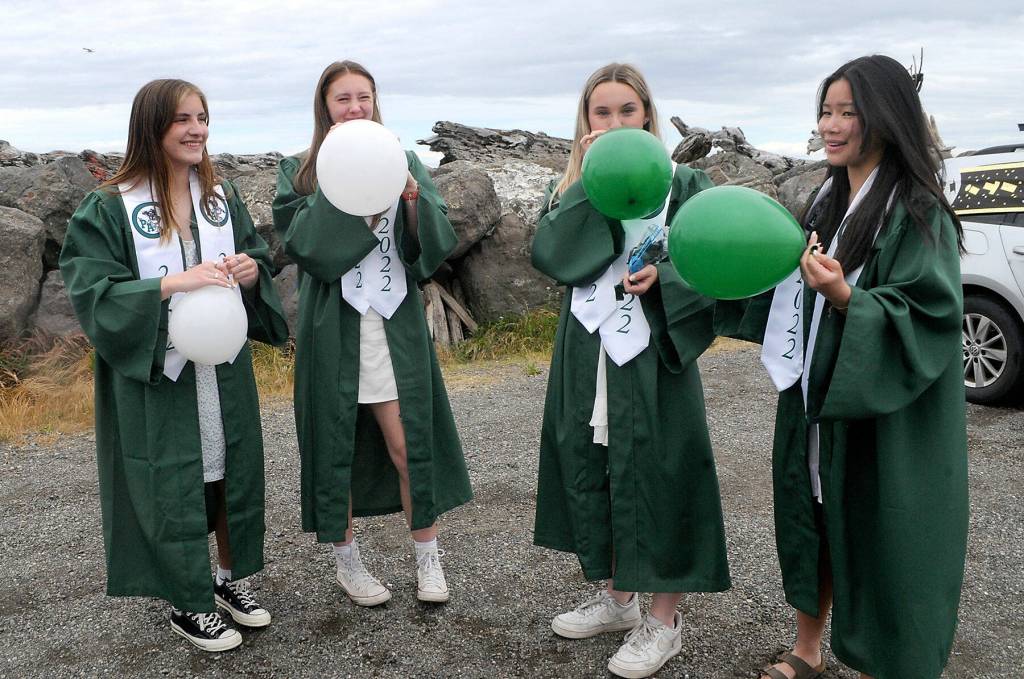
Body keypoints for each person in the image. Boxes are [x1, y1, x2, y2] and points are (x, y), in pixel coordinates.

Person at [717, 55, 968, 679]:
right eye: (825, 111)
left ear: (883, 118)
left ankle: (898, 664)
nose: (830, 125)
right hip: (818, 397)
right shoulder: (828, 201)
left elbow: (930, 313)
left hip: (885, 413)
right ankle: (807, 649)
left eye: (846, 112)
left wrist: (850, 300)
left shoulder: (917, 209)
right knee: (815, 516)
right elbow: (776, 289)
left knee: (890, 537)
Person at [59, 79, 289, 652]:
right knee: (172, 478)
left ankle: (225, 579)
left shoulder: (219, 195)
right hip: (159, 368)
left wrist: (250, 269)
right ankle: (187, 601)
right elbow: (92, 289)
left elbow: (256, 253)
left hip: (220, 366)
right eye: (182, 119)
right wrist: (170, 283)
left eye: (203, 118)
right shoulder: (112, 203)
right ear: (151, 127)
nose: (197, 130)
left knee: (225, 468)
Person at [531, 62, 730, 679]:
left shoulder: (685, 183)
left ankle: (665, 621)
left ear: (647, 114)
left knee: (663, 468)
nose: (614, 123)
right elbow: (553, 257)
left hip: (657, 348)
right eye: (601, 113)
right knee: (595, 462)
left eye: (627, 111)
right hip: (590, 348)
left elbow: (718, 268)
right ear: (585, 121)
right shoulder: (570, 186)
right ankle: (618, 597)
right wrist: (592, 182)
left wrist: (665, 281)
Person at [272, 60, 471, 606]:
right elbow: (301, 247)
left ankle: (428, 558)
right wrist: (343, 201)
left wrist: (411, 200)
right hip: (333, 324)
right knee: (334, 446)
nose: (354, 107)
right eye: (343, 99)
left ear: (376, 101)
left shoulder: (402, 159)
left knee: (409, 445)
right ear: (325, 107)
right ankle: (349, 565)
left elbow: (429, 248)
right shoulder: (299, 169)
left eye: (364, 96)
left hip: (393, 322)